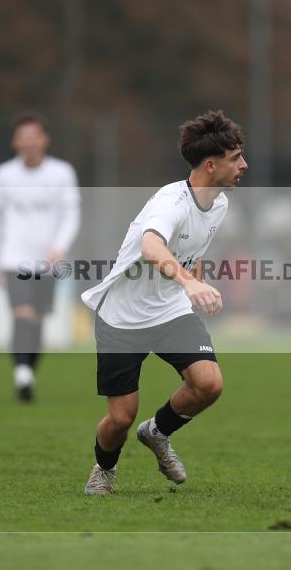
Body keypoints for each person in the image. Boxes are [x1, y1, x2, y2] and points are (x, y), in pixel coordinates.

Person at [80, 110, 246, 495]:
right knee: (119, 419)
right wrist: (189, 283)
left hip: (170, 310)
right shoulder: (169, 203)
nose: (243, 165)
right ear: (211, 164)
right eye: (235, 157)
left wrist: (197, 284)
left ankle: (157, 433)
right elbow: (151, 245)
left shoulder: (218, 203)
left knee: (208, 383)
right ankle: (105, 469)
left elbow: (193, 246)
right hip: (122, 317)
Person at [0, 113, 80, 402]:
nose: (28, 143)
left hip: (48, 261)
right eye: (22, 137)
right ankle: (22, 375)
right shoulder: (3, 174)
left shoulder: (62, 172)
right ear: (15, 142)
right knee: (22, 315)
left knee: (36, 321)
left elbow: (71, 214)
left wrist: (59, 246)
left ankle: (27, 372)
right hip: (14, 258)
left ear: (44, 139)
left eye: (33, 136)